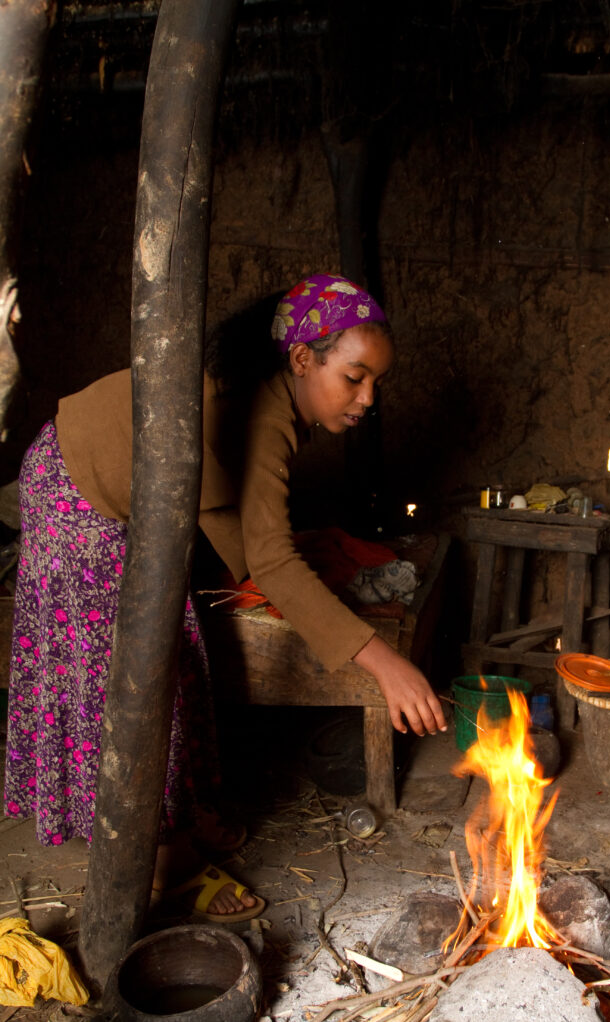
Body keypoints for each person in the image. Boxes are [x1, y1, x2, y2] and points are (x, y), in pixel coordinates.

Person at [2, 274, 447, 920]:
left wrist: (287, 557)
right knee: (139, 679)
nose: (368, 397)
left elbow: (245, 530)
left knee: (178, 648)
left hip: (106, 488)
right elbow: (270, 560)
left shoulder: (266, 399)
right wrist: (385, 662)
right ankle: (162, 864)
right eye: (355, 377)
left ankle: (178, 813)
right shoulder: (266, 414)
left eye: (376, 381)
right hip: (77, 491)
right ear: (303, 360)